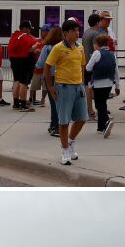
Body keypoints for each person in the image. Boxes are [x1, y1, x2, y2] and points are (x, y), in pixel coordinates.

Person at [48, 18, 89, 165]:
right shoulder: (58, 48)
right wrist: (51, 87)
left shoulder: (80, 47)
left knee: (82, 118)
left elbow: (82, 65)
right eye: (74, 31)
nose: (77, 33)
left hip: (78, 86)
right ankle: (65, 149)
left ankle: (71, 141)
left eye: (78, 30)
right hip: (63, 87)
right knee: (64, 121)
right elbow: (47, 66)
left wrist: (83, 83)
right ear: (66, 33)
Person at [85, 32, 118, 138]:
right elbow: (116, 71)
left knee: (99, 105)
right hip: (109, 83)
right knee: (103, 103)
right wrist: (117, 86)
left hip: (98, 82)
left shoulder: (96, 53)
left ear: (97, 44)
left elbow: (88, 68)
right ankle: (100, 127)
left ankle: (107, 121)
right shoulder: (112, 55)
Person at [9, 21, 39, 110]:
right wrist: (35, 46)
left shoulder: (15, 35)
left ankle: (16, 103)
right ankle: (23, 104)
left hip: (14, 60)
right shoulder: (25, 37)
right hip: (24, 60)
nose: (30, 31)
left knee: (16, 81)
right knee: (24, 83)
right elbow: (29, 49)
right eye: (29, 28)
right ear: (25, 28)